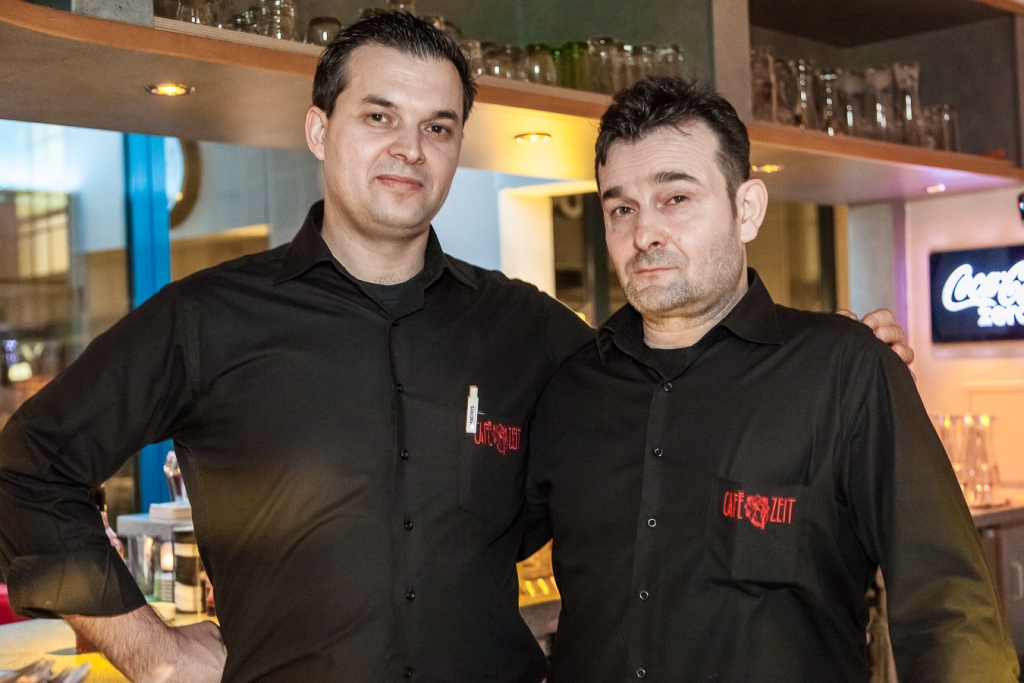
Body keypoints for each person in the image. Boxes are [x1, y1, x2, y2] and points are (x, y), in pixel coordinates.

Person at [0, 16, 910, 683]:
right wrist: (149, 647)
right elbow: (28, 465)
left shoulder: (527, 327)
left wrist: (818, 358)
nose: (410, 148)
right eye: (379, 116)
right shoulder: (208, 316)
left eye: (437, 127)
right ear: (320, 130)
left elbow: (670, 382)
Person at [523, 77, 1019, 683]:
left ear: (747, 210)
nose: (644, 233)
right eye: (621, 208)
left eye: (676, 198)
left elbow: (949, 610)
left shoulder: (844, 370)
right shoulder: (571, 389)